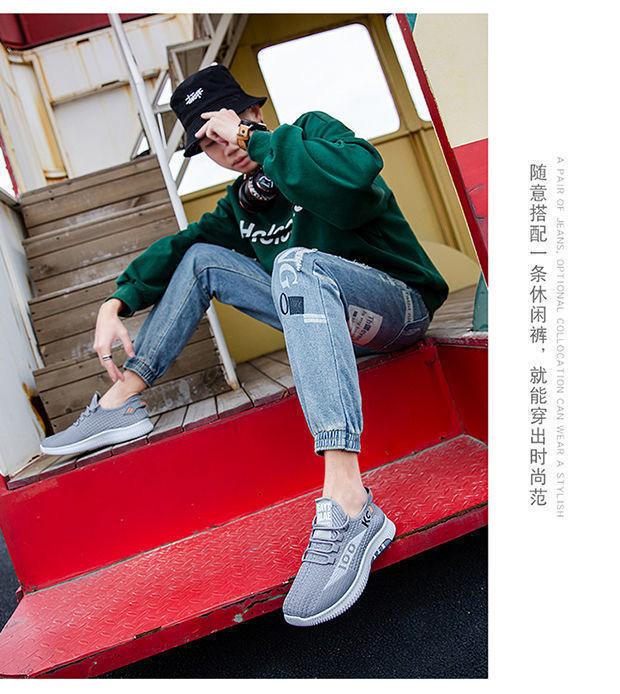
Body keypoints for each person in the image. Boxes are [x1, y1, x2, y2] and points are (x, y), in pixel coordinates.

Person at [40, 64, 449, 626]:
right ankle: (121, 402)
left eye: (223, 127)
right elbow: (184, 246)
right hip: (326, 327)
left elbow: (354, 188)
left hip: (397, 308)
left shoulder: (311, 133)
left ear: (251, 111)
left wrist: (253, 139)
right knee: (202, 257)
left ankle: (349, 502)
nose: (222, 146)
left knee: (295, 265)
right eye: (207, 142)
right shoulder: (242, 203)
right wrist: (117, 301)